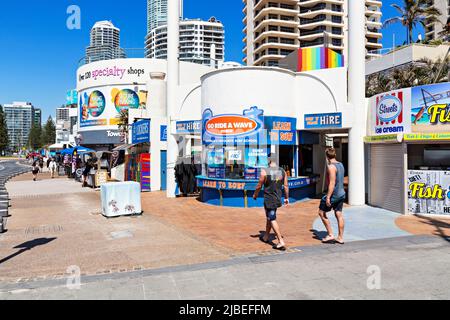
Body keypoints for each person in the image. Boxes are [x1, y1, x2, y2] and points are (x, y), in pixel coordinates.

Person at [253, 158, 289, 251]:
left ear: (268, 162)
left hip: (269, 199)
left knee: (272, 218)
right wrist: (286, 198)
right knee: (269, 216)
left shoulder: (265, 171)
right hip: (277, 198)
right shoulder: (282, 171)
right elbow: (286, 186)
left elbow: (259, 185)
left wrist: (255, 194)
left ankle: (280, 241)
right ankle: (266, 237)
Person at [318, 147, 346, 245]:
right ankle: (340, 238)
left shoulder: (331, 167)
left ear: (326, 156)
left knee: (321, 213)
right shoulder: (341, 165)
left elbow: (332, 183)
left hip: (335, 194)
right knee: (339, 214)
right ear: (335, 154)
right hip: (342, 193)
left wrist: (328, 197)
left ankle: (330, 235)